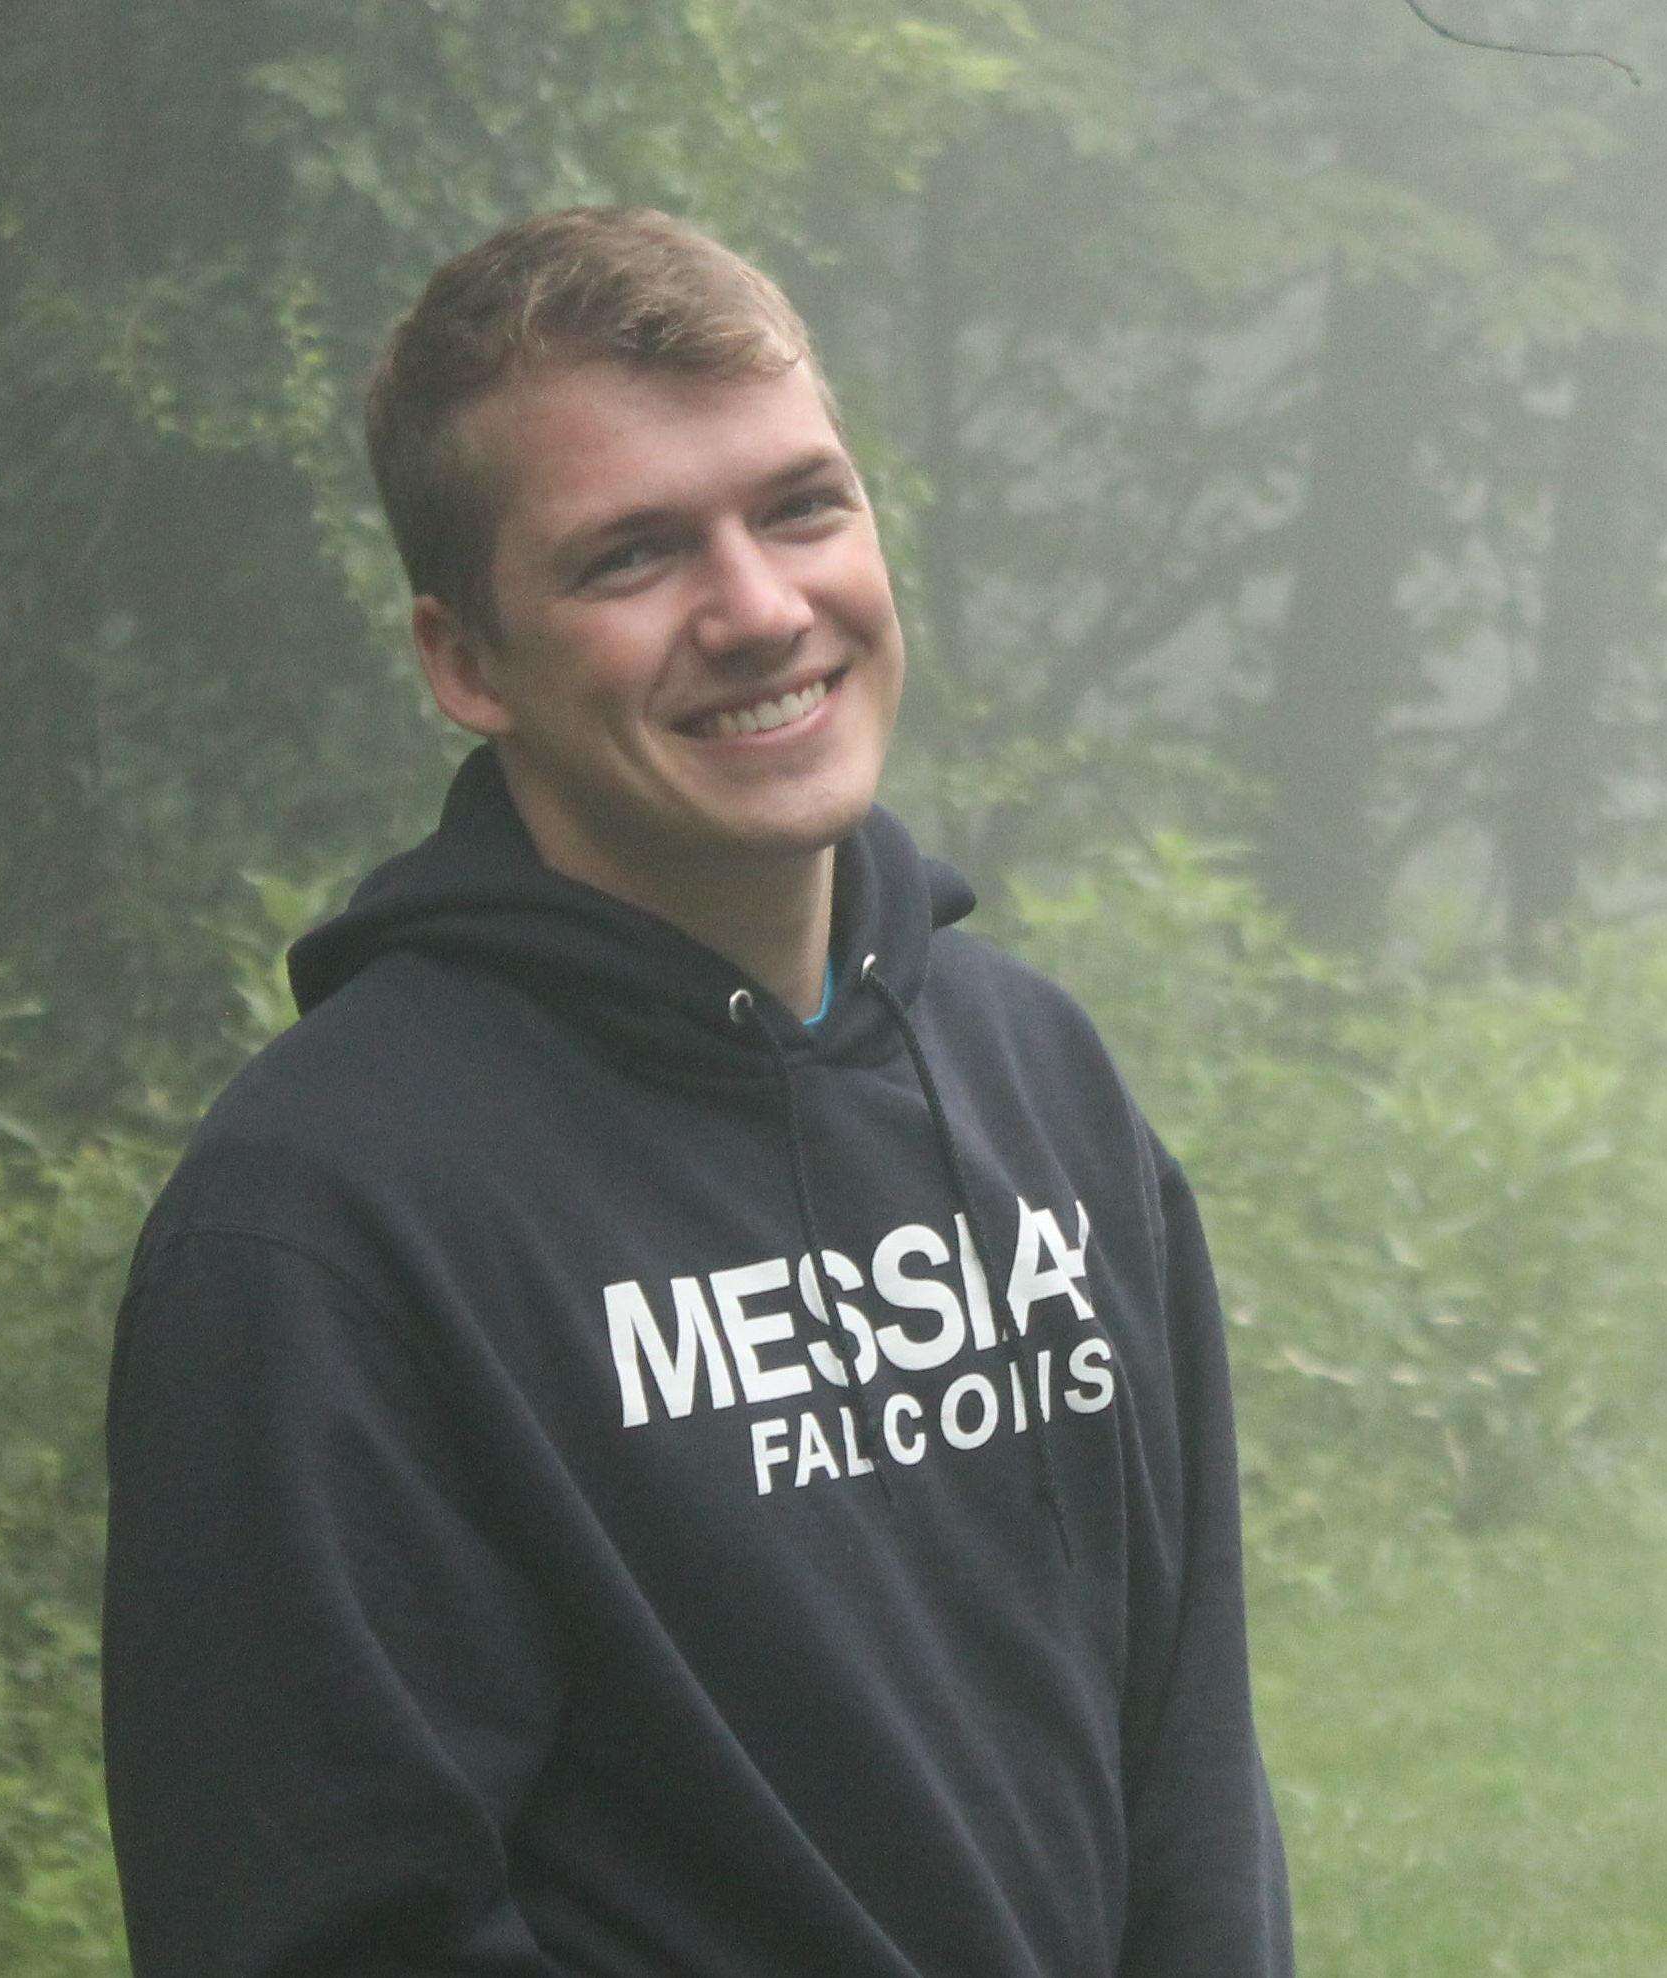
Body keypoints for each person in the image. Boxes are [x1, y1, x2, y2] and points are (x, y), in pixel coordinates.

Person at [102, 205, 1293, 1978]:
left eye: (801, 506)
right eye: (632, 555)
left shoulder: (1038, 1078)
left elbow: (1188, 1776)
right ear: (465, 660)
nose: (757, 610)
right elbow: (328, 1930)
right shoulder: (321, 1227)